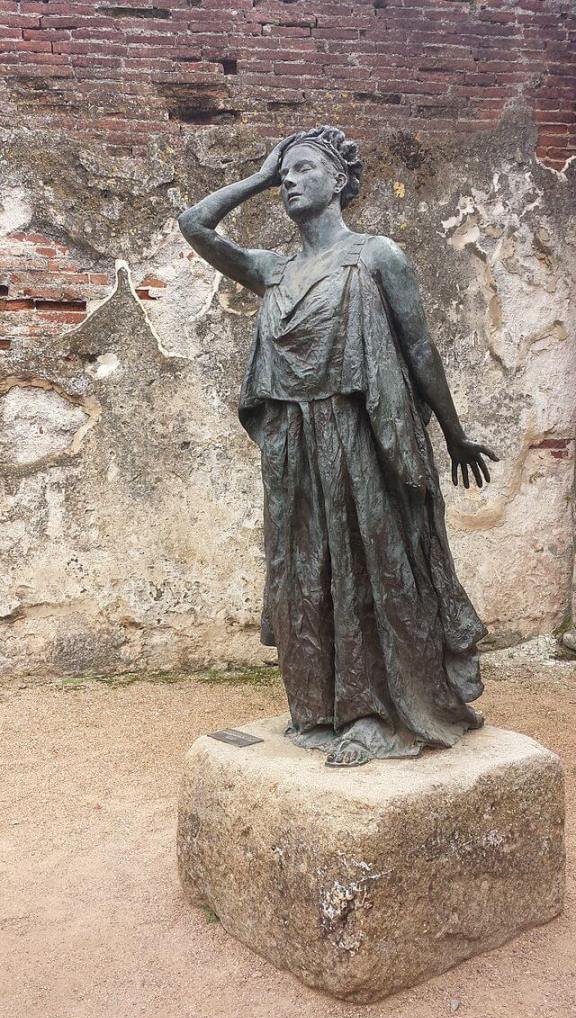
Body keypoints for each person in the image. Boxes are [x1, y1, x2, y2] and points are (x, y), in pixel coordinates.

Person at [178, 125, 499, 767]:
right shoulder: (275, 269)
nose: (290, 181)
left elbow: (418, 349)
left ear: (339, 182)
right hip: (294, 446)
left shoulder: (376, 255)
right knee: (305, 571)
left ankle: (379, 713)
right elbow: (195, 225)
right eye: (286, 173)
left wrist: (455, 433)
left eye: (301, 170)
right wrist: (260, 175)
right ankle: (323, 706)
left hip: (362, 437)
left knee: (373, 565)